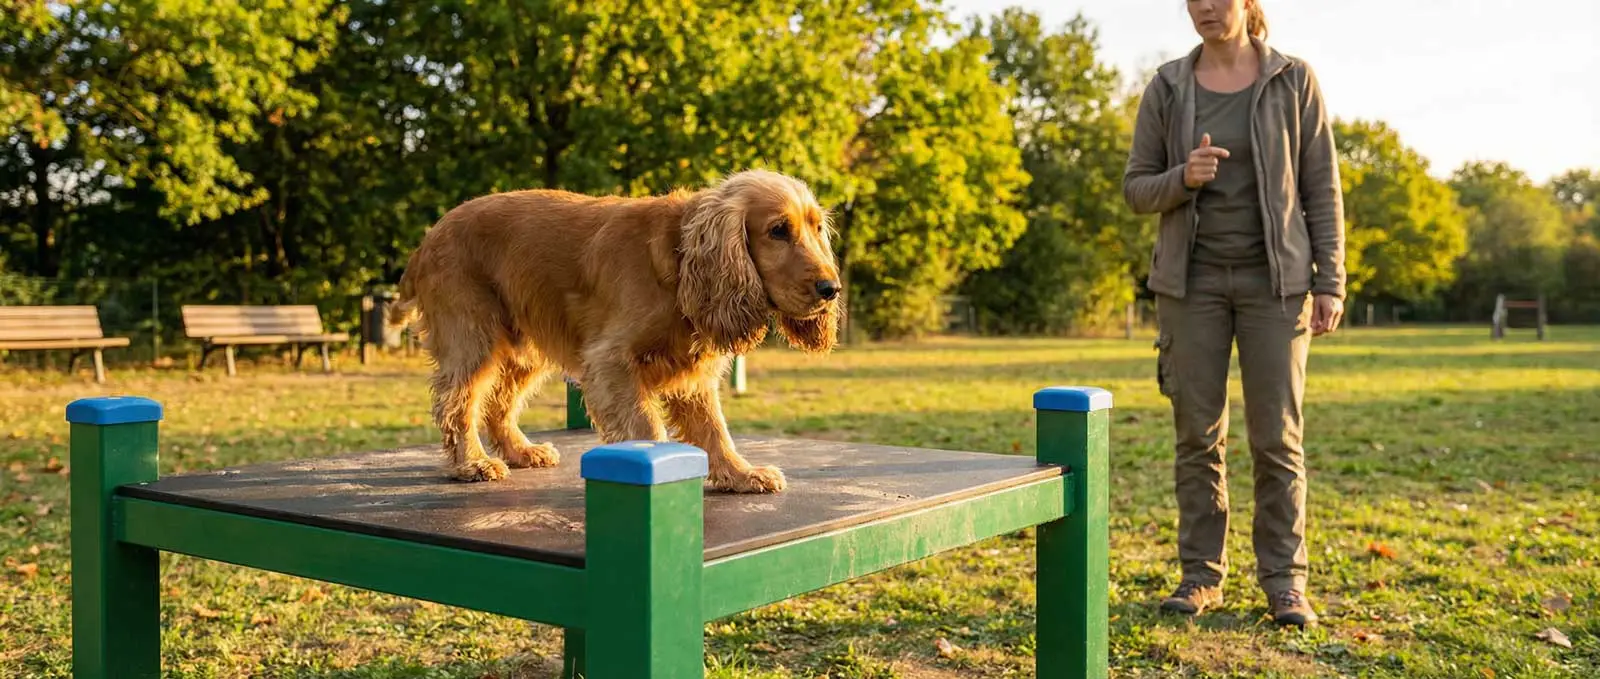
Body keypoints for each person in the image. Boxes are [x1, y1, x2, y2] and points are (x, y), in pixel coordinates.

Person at [1122, 0, 1346, 628]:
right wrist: (1183, 177)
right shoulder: (1168, 86)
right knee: (1197, 437)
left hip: (1277, 287)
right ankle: (1200, 577)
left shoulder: (1293, 80)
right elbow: (1136, 188)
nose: (1205, 6)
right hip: (1189, 286)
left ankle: (1285, 583)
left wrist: (1330, 281)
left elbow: (1322, 187)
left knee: (1277, 438)